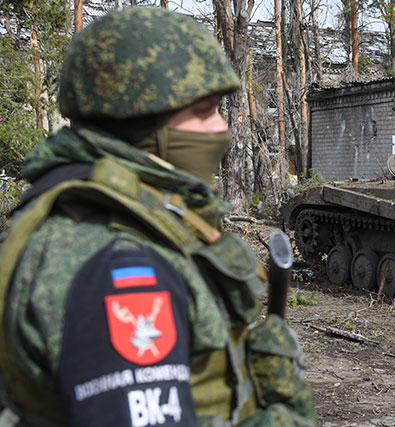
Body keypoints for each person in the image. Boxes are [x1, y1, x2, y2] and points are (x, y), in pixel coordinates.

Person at [0, 7, 316, 427]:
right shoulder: (117, 264)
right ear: (141, 118)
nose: (221, 129)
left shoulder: (106, 214)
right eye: (205, 111)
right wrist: (281, 416)